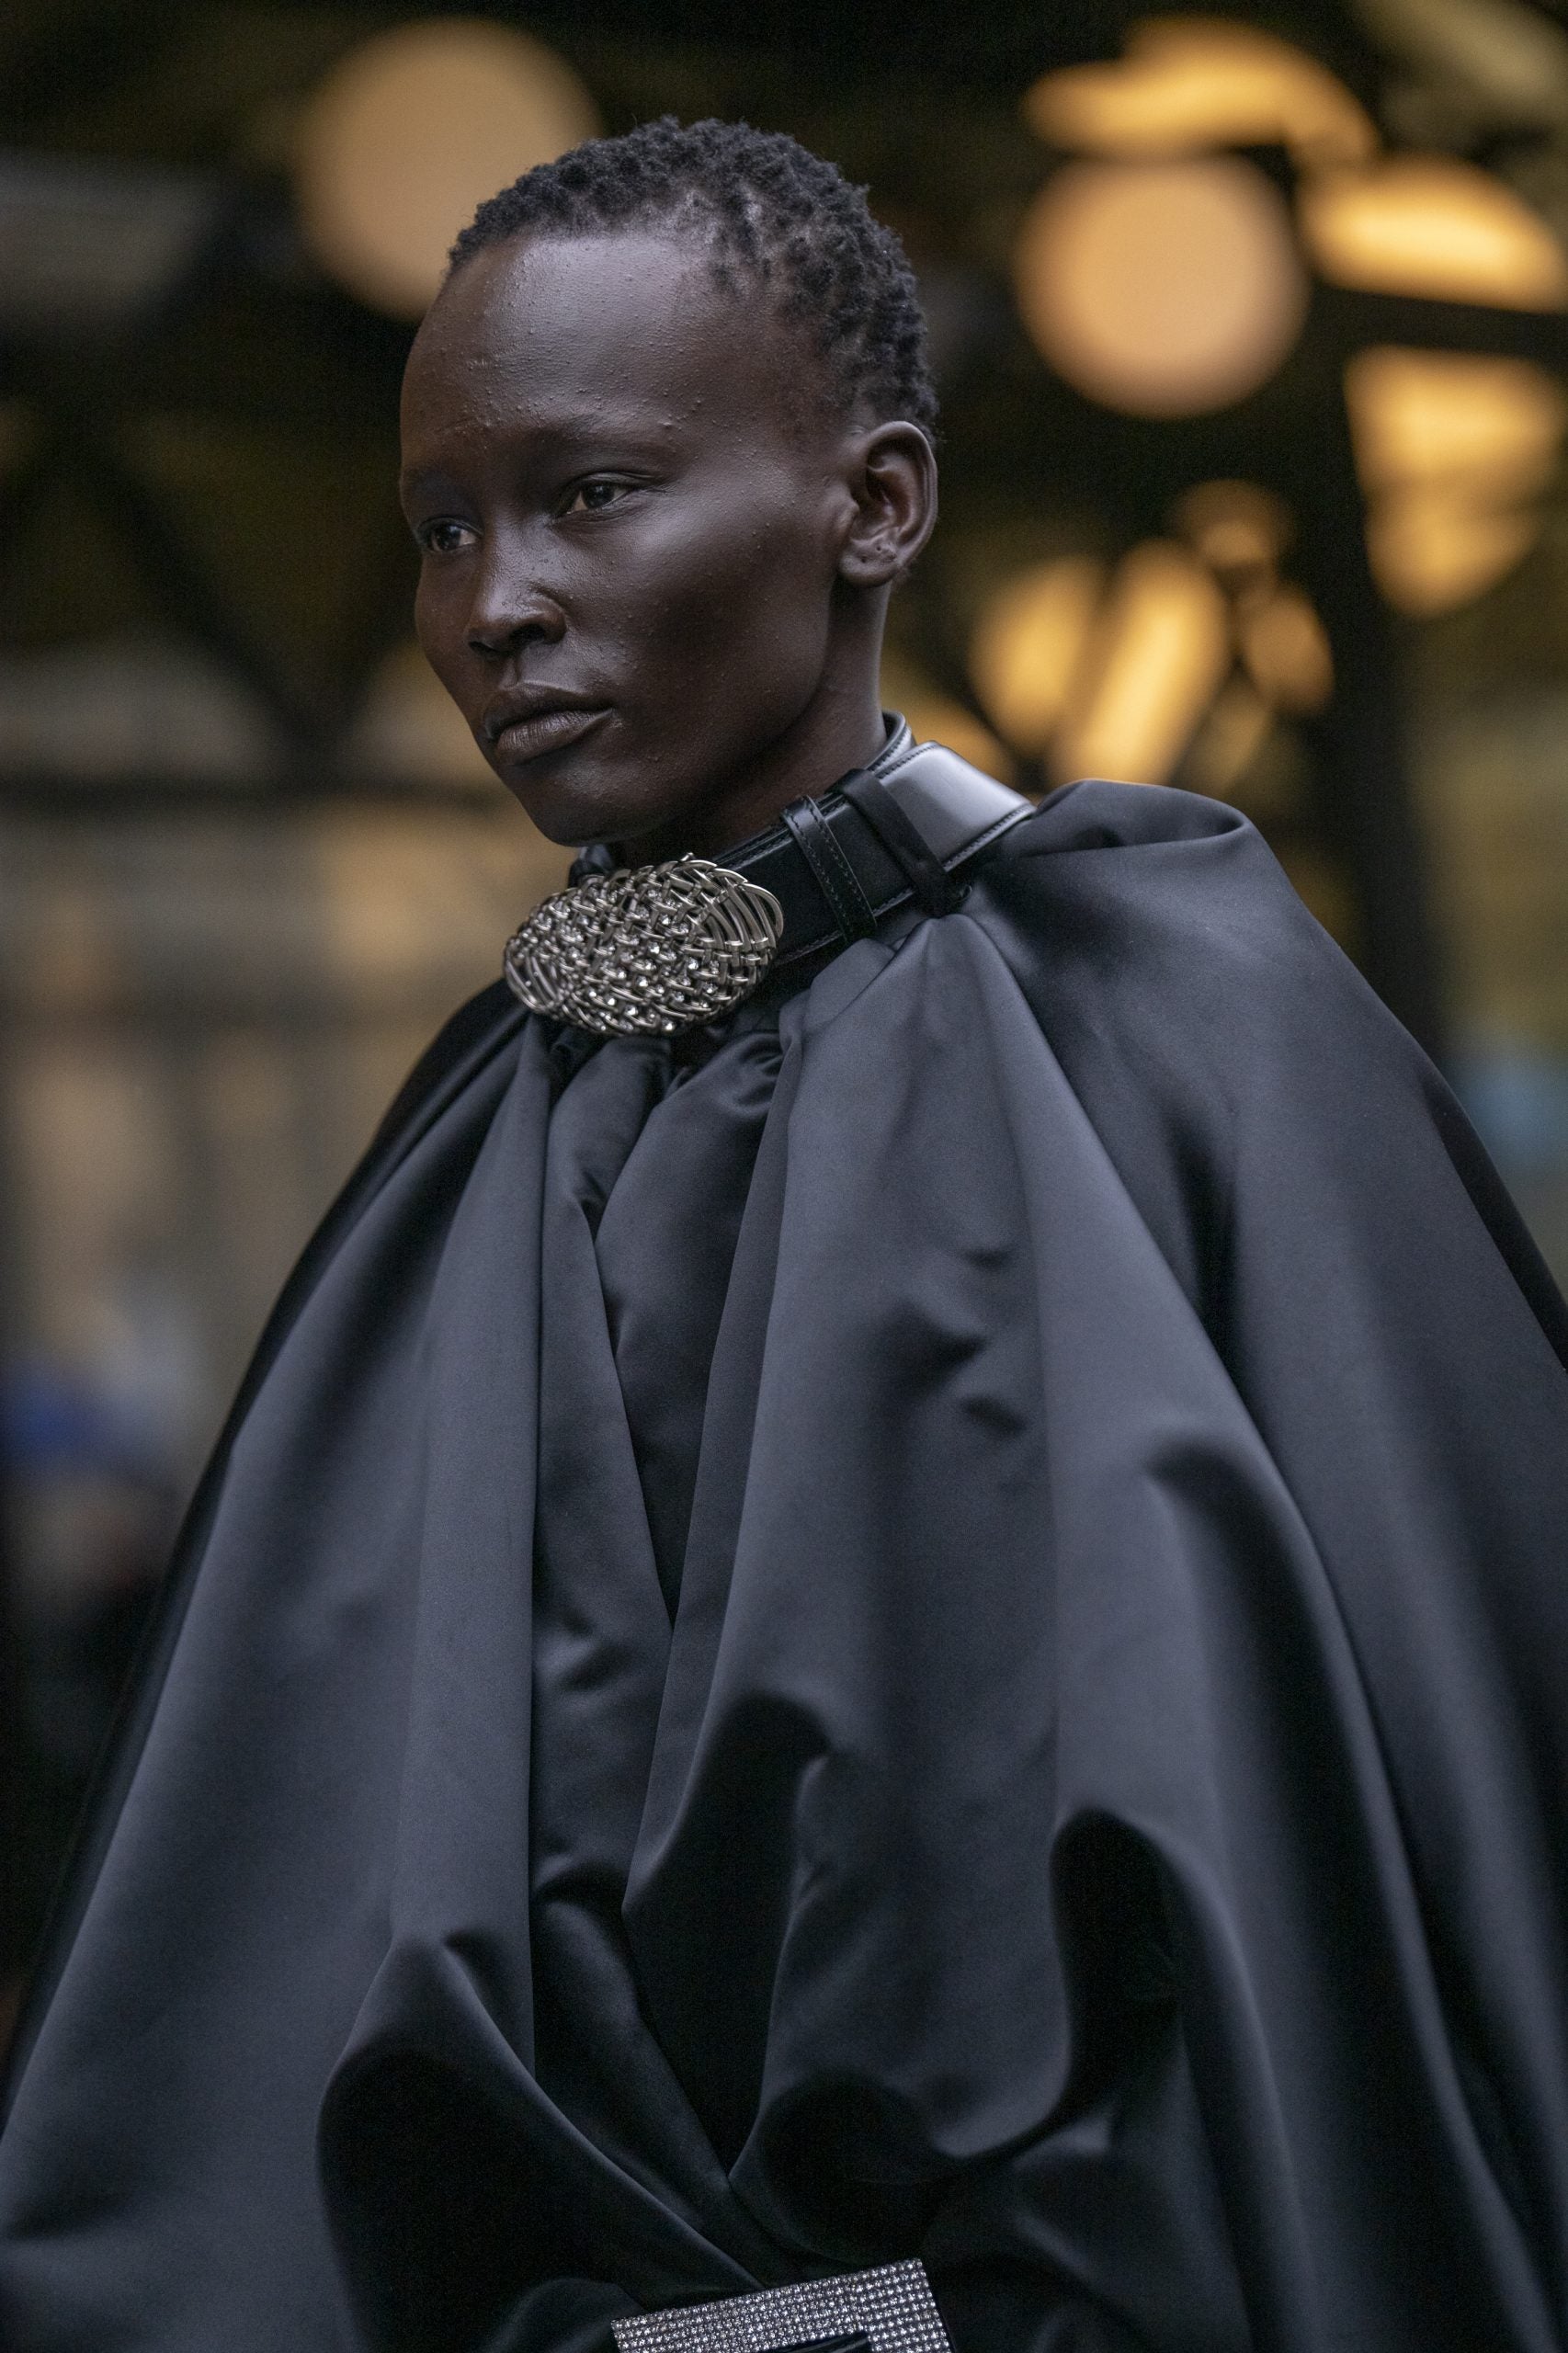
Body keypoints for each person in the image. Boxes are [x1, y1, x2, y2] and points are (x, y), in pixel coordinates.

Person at [4, 116, 1568, 2353]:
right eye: (443, 525)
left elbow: (1451, 1821)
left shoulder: (1180, 1018)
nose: (490, 601)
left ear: (877, 502)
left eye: (592, 494)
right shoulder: (478, 1118)